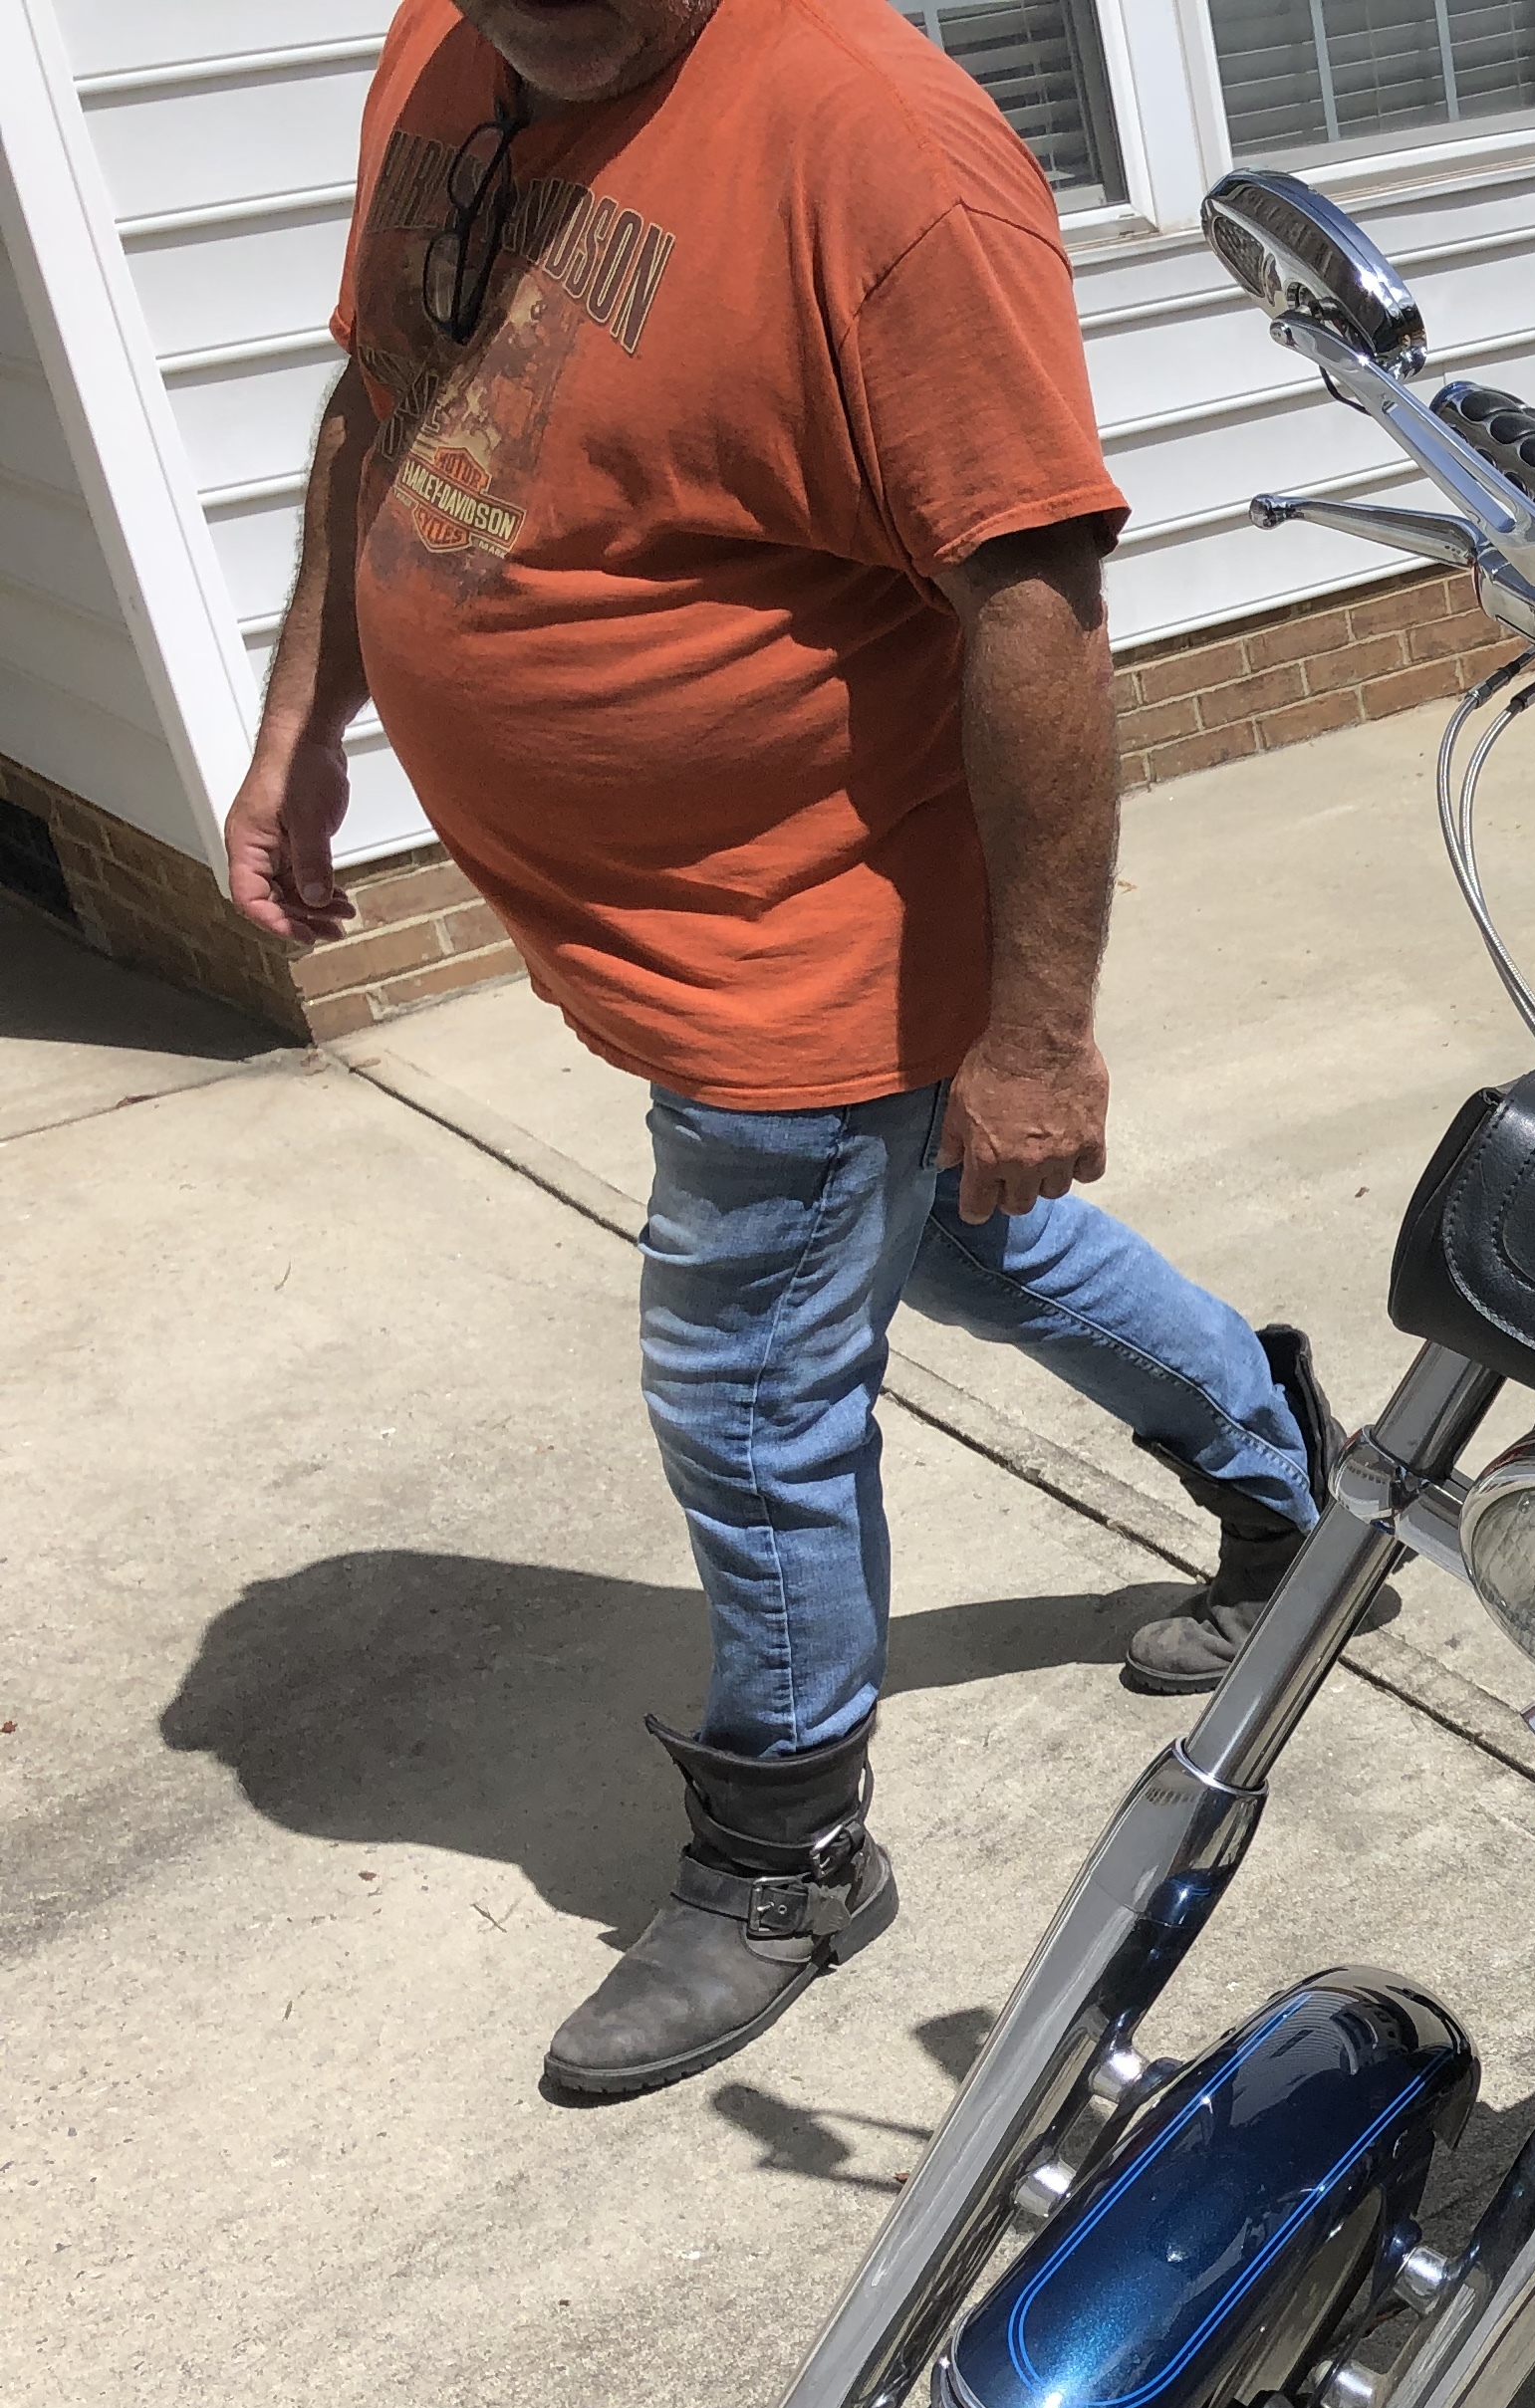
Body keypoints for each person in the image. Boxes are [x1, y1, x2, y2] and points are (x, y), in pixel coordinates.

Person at [224, 0, 1336, 2100]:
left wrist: (1038, 1032)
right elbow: (381, 404)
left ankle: (789, 1855)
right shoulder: (441, 51)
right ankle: (1295, 1498)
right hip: (663, 935)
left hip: (812, 946)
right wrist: (304, 725)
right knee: (973, 1246)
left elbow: (1035, 609)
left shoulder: (876, 152)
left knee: (748, 1396)